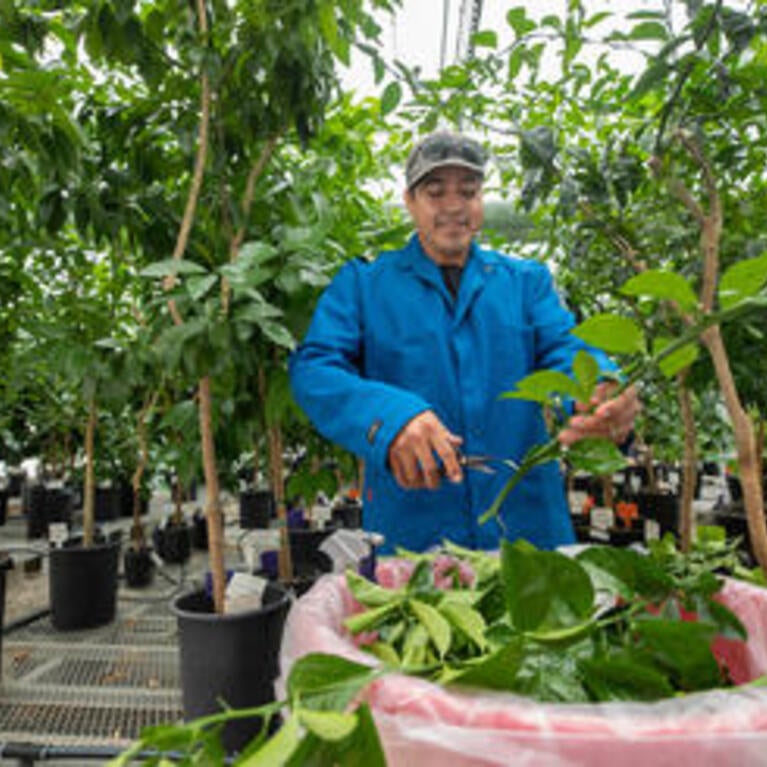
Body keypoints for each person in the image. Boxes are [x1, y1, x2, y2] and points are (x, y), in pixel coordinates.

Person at [289, 130, 640, 553]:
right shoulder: (364, 285)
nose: (454, 206)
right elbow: (315, 370)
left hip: (527, 529)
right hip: (415, 531)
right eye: (435, 192)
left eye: (468, 192)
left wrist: (599, 389)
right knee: (424, 599)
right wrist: (389, 419)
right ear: (410, 202)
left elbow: (567, 347)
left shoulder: (525, 283)